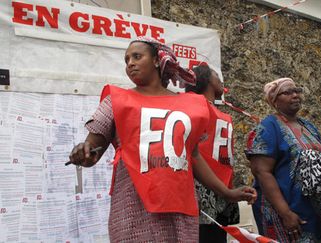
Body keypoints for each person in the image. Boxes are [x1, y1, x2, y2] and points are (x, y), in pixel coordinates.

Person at [68, 37, 256, 242]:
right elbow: (92, 151)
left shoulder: (191, 105)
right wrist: (84, 153)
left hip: (179, 207)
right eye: (127, 59)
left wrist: (227, 193)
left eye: (137, 56)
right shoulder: (116, 100)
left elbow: (192, 156)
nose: (130, 63)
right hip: (132, 206)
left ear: (158, 61)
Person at [245, 78, 321, 242]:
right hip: (288, 210)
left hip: (315, 211)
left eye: (297, 91)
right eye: (287, 92)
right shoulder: (268, 126)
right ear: (275, 101)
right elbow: (261, 171)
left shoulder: (308, 126)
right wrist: (285, 213)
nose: (295, 95)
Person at [185, 65, 239, 243]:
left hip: (221, 192)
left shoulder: (218, 112)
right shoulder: (192, 105)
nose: (220, 79)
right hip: (201, 192)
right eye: (216, 75)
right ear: (207, 79)